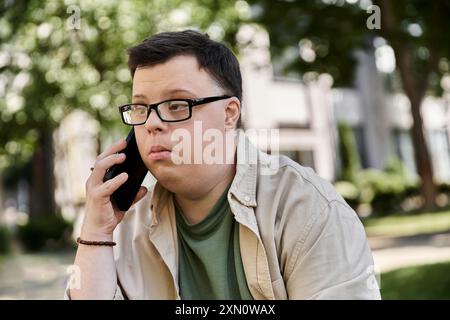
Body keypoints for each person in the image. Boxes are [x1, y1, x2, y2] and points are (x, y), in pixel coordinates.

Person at [66, 30, 380, 300]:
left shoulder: (307, 209)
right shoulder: (124, 223)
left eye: (176, 105)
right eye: (141, 107)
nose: (152, 124)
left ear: (229, 114)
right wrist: (97, 230)